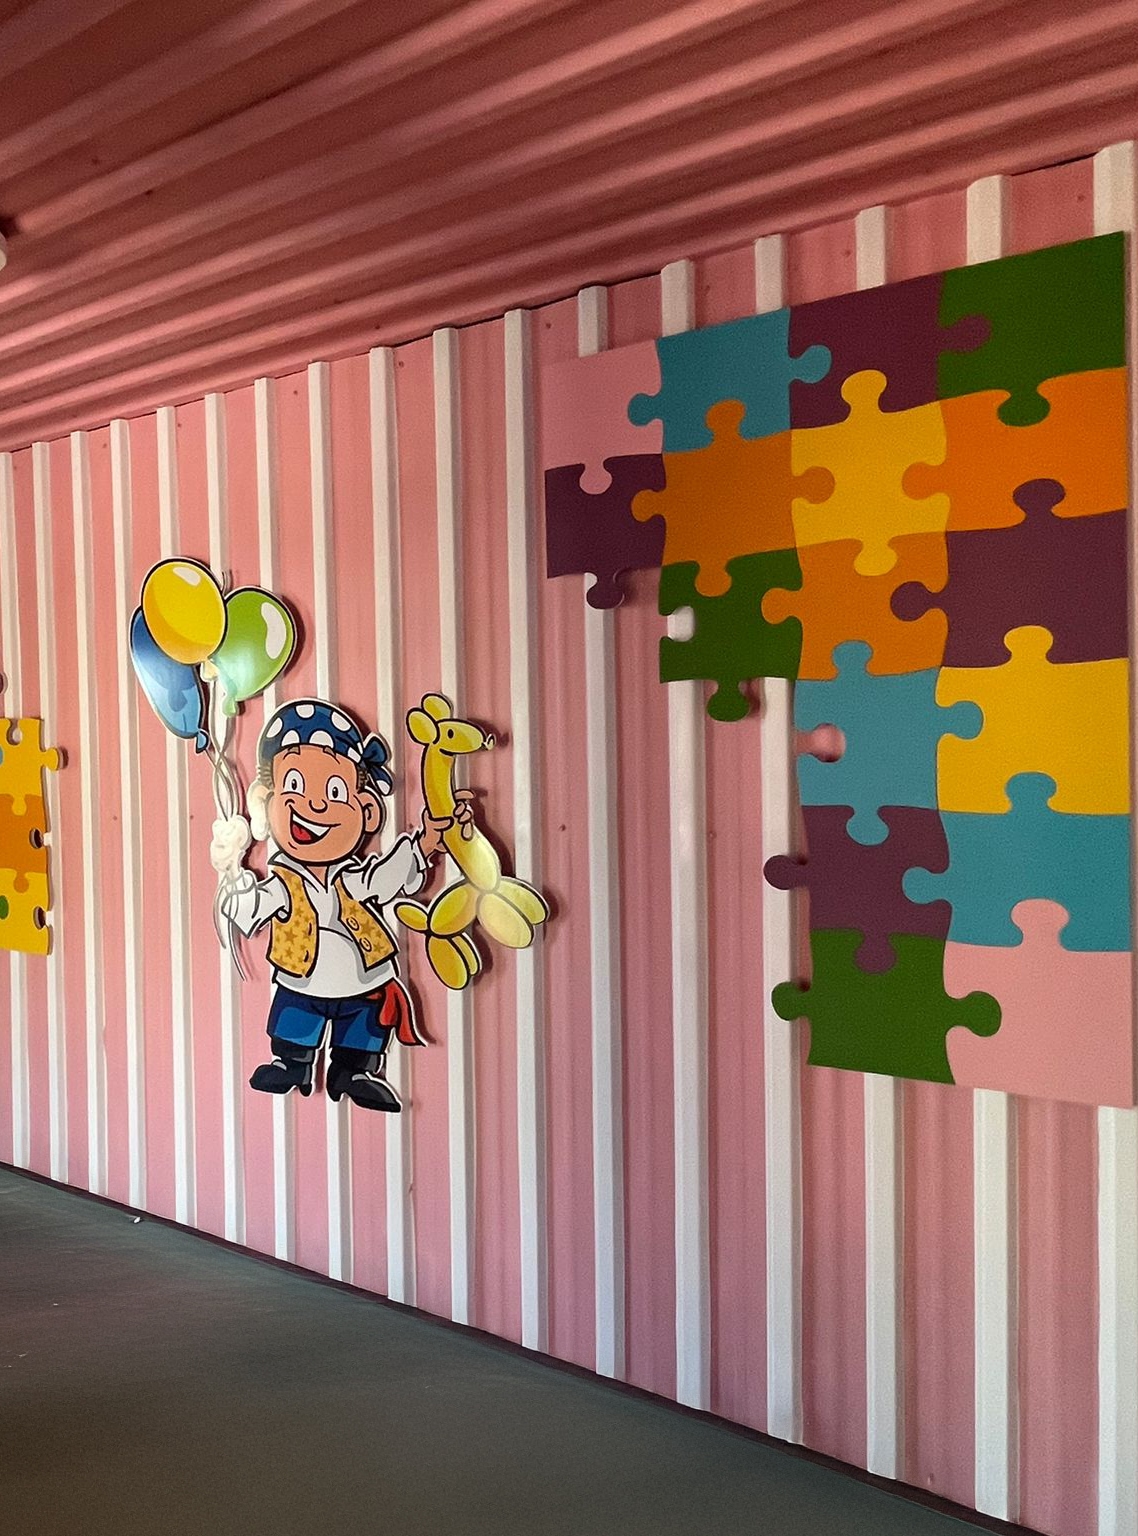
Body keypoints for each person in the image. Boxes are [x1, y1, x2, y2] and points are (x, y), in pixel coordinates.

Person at [213, 699, 471, 1112]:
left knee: (364, 1021)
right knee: (295, 1016)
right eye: (295, 785)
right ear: (268, 803)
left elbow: (385, 878)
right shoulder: (284, 882)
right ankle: (293, 1064)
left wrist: (425, 843)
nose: (314, 805)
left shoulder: (353, 877)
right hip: (302, 980)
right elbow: (251, 908)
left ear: (367, 812)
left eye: (334, 792)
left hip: (361, 978)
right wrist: (234, 880)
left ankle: (354, 1072)